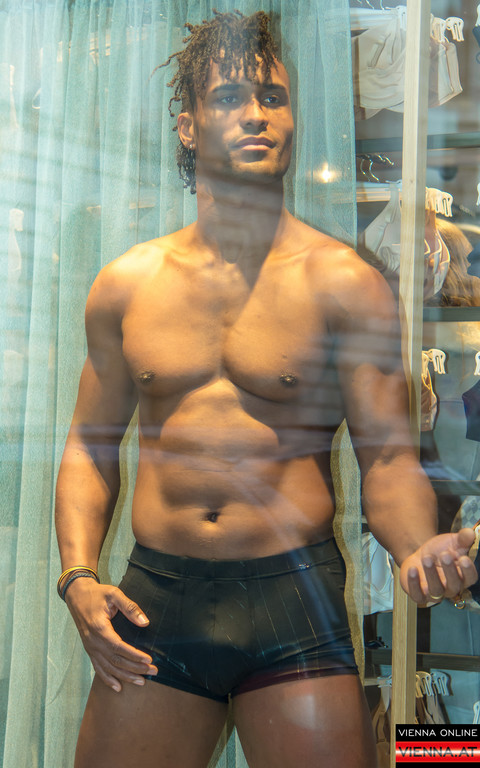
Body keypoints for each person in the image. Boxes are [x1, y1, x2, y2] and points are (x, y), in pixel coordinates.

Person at [55, 10, 478, 768]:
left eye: (273, 97)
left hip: (294, 601)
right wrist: (78, 575)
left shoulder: (346, 284)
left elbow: (387, 459)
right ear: (188, 127)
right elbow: (89, 448)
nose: (257, 114)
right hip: (158, 599)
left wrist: (418, 548)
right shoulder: (127, 285)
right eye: (230, 98)